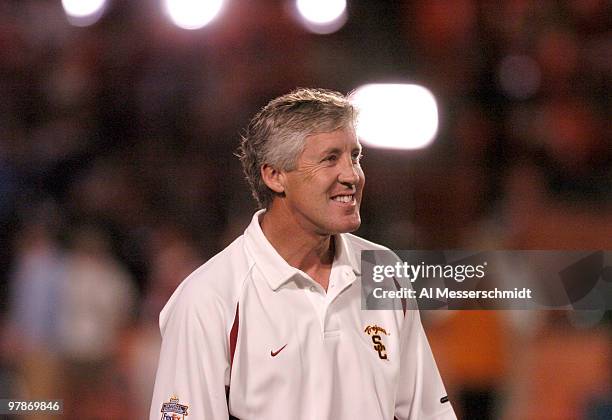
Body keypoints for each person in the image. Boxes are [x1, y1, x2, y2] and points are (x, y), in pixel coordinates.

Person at [149, 88, 456, 420]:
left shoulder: (385, 272)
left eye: (355, 156)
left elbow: (427, 411)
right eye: (330, 158)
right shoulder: (209, 298)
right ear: (275, 176)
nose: (352, 175)